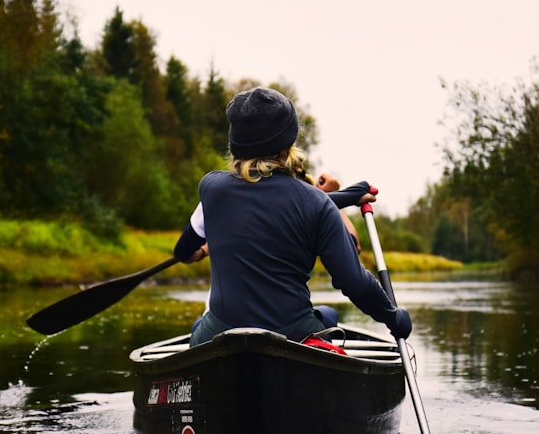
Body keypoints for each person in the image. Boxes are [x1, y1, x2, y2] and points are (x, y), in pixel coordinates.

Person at [172, 86, 411, 347]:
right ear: (288, 143)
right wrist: (393, 317)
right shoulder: (316, 204)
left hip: (221, 332)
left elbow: (278, 203)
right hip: (292, 335)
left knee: (200, 326)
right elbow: (354, 283)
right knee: (329, 316)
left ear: (235, 143)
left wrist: (348, 196)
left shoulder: (211, 188)